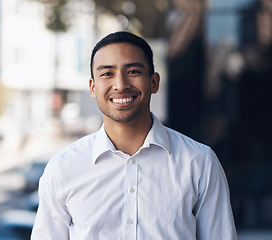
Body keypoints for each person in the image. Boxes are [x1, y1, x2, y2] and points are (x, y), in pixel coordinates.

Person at [31, 31, 237, 240]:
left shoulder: (199, 162)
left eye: (133, 71)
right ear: (93, 88)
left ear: (154, 82)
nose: (120, 85)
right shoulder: (62, 169)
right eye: (107, 74)